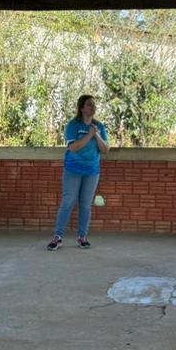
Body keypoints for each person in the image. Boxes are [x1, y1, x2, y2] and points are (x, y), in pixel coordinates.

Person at [48, 95, 109, 252]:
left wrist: (96, 134)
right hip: (73, 170)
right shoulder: (73, 125)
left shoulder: (99, 126)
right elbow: (73, 147)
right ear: (82, 108)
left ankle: (82, 237)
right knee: (68, 202)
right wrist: (89, 134)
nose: (93, 108)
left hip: (92, 171)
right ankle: (57, 237)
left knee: (86, 205)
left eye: (94, 105)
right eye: (89, 105)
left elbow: (105, 149)